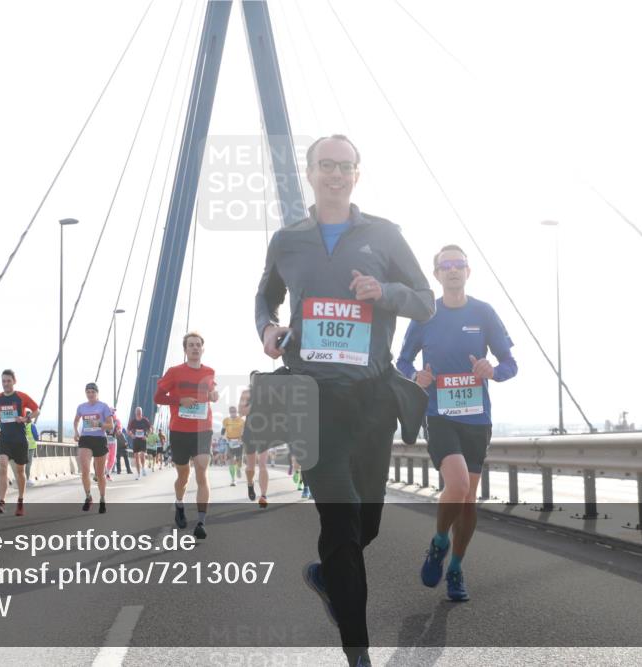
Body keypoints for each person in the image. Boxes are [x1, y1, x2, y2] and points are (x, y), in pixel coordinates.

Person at [255, 134, 434, 667]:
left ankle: (328, 576)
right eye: (325, 165)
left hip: (372, 397)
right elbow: (265, 294)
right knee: (340, 521)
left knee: (366, 523)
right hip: (310, 398)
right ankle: (358, 655)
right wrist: (267, 327)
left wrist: (386, 294)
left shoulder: (384, 235)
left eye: (345, 166)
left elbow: (423, 301)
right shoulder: (288, 239)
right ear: (308, 173)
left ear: (358, 174)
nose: (335, 173)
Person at [397, 244, 517, 601]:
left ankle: (456, 568)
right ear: (436, 274)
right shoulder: (424, 316)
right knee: (459, 482)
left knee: (468, 500)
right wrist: (416, 376)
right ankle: (438, 544)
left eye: (458, 264)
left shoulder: (484, 312)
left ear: (468, 271)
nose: (452, 270)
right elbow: (402, 363)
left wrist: (492, 370)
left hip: (477, 419)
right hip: (439, 415)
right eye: (445, 265)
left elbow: (511, 365)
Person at [154, 332, 218, 540]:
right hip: (180, 431)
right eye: (191, 345)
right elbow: (157, 397)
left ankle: (201, 521)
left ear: (202, 348)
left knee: (201, 470)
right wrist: (180, 401)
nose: (195, 348)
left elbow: (213, 390)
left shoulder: (209, 371)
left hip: (202, 429)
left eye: (198, 345)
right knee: (183, 476)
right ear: (185, 349)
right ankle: (179, 503)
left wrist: (214, 394)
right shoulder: (174, 372)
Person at [0, 369, 39, 516]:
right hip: (4, 438)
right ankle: (1, 502)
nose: (5, 384)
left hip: (19, 439)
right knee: (3, 466)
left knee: (20, 471)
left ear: (14, 381)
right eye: (3, 381)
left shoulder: (21, 396)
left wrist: (25, 419)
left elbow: (37, 410)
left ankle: (20, 500)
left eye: (8, 381)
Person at [74, 382, 115, 513]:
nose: (90, 394)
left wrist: (100, 424)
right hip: (85, 439)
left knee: (100, 474)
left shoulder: (103, 407)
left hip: (99, 439)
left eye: (93, 392)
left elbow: (110, 425)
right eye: (88, 392)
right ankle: (88, 497)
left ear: (97, 393)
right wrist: (76, 432)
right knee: (85, 470)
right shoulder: (81, 407)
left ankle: (102, 499)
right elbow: (76, 420)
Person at [221, 406, 245, 486]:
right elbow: (223, 431)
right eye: (231, 411)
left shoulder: (241, 420)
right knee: (231, 461)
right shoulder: (226, 420)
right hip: (229, 442)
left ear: (236, 411)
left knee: (239, 460)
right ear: (229, 412)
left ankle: (238, 468)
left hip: (239, 442)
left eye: (234, 411)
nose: (233, 413)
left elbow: (244, 431)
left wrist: (241, 438)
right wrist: (224, 438)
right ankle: (233, 479)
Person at [128, 407, 152, 480]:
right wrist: (131, 435)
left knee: (142, 455)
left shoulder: (145, 420)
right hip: (136, 440)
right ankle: (138, 474)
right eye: (137, 412)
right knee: (136, 457)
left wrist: (146, 436)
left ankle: (143, 467)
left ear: (141, 413)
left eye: (140, 412)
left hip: (142, 440)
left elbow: (150, 429)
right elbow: (128, 429)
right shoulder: (133, 421)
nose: (139, 414)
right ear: (135, 413)